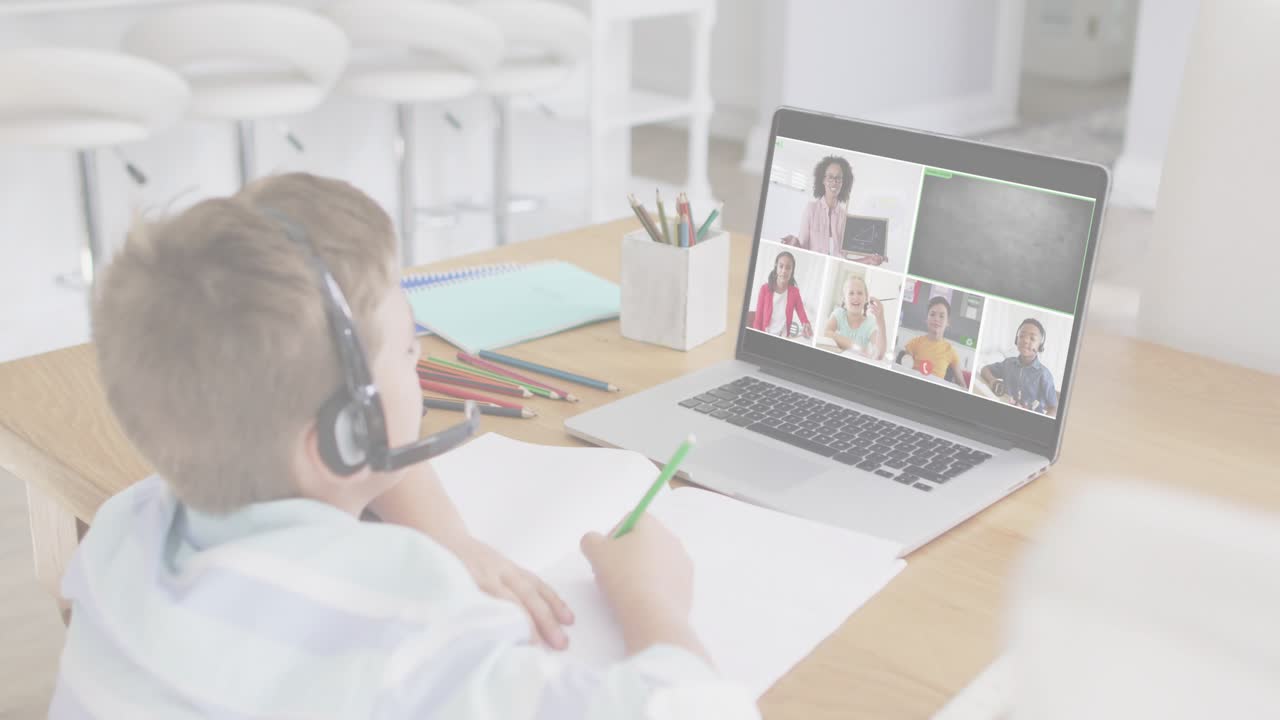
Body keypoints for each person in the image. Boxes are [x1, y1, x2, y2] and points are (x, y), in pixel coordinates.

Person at [51, 173, 756, 719]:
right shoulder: (405, 614)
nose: (420, 361)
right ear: (343, 432)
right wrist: (652, 599)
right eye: (411, 349)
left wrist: (452, 534)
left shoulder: (124, 533)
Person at [781, 155, 885, 266]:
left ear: (843, 183)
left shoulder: (846, 218)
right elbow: (802, 249)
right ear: (823, 180)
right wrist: (794, 242)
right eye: (830, 177)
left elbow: (843, 262)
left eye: (838, 178)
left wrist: (868, 259)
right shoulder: (811, 209)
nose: (834, 182)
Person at [980, 318, 1059, 416]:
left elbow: (1054, 408)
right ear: (1016, 339)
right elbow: (985, 369)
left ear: (1040, 346)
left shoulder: (1044, 374)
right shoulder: (1008, 363)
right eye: (1022, 336)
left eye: (1032, 338)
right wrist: (993, 381)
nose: (1025, 340)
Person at [901, 297, 967, 388]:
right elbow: (904, 369)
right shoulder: (914, 343)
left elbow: (962, 386)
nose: (936, 319)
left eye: (941, 316)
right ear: (926, 319)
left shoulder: (951, 352)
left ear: (947, 322)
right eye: (932, 314)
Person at [751, 250, 813, 338]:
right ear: (776, 267)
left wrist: (806, 325)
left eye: (788, 268)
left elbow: (801, 312)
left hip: (783, 336)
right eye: (781, 266)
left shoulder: (794, 292)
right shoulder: (765, 289)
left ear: (792, 271)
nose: (784, 271)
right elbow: (758, 319)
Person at [823, 274, 886, 360]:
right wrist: (854, 347)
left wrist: (880, 319)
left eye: (860, 293)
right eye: (851, 293)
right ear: (844, 299)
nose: (855, 297)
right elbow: (827, 333)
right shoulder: (839, 314)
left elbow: (880, 354)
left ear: (866, 299)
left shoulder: (870, 323)